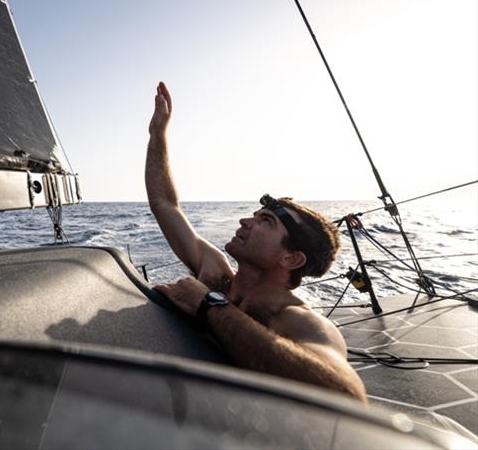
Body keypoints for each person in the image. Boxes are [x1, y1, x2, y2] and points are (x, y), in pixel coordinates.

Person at [146, 81, 366, 403]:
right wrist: (157, 135)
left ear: (292, 259)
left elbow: (345, 393)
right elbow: (166, 205)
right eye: (255, 214)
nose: (245, 222)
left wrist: (209, 306)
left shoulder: (299, 321)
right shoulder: (215, 273)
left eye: (266, 221)